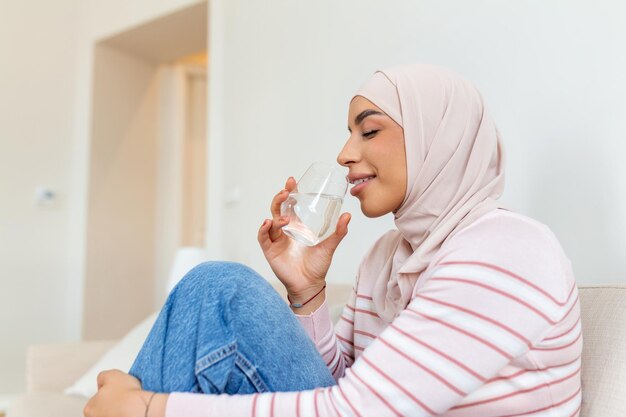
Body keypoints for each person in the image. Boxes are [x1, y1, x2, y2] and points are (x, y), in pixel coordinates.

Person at [84, 64, 582, 417]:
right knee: (212, 286)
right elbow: (341, 379)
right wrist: (307, 292)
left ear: (439, 138)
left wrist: (149, 408)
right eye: (349, 133)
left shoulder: (506, 250)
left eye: (369, 131)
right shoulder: (388, 255)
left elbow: (357, 409)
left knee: (221, 288)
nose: (345, 153)